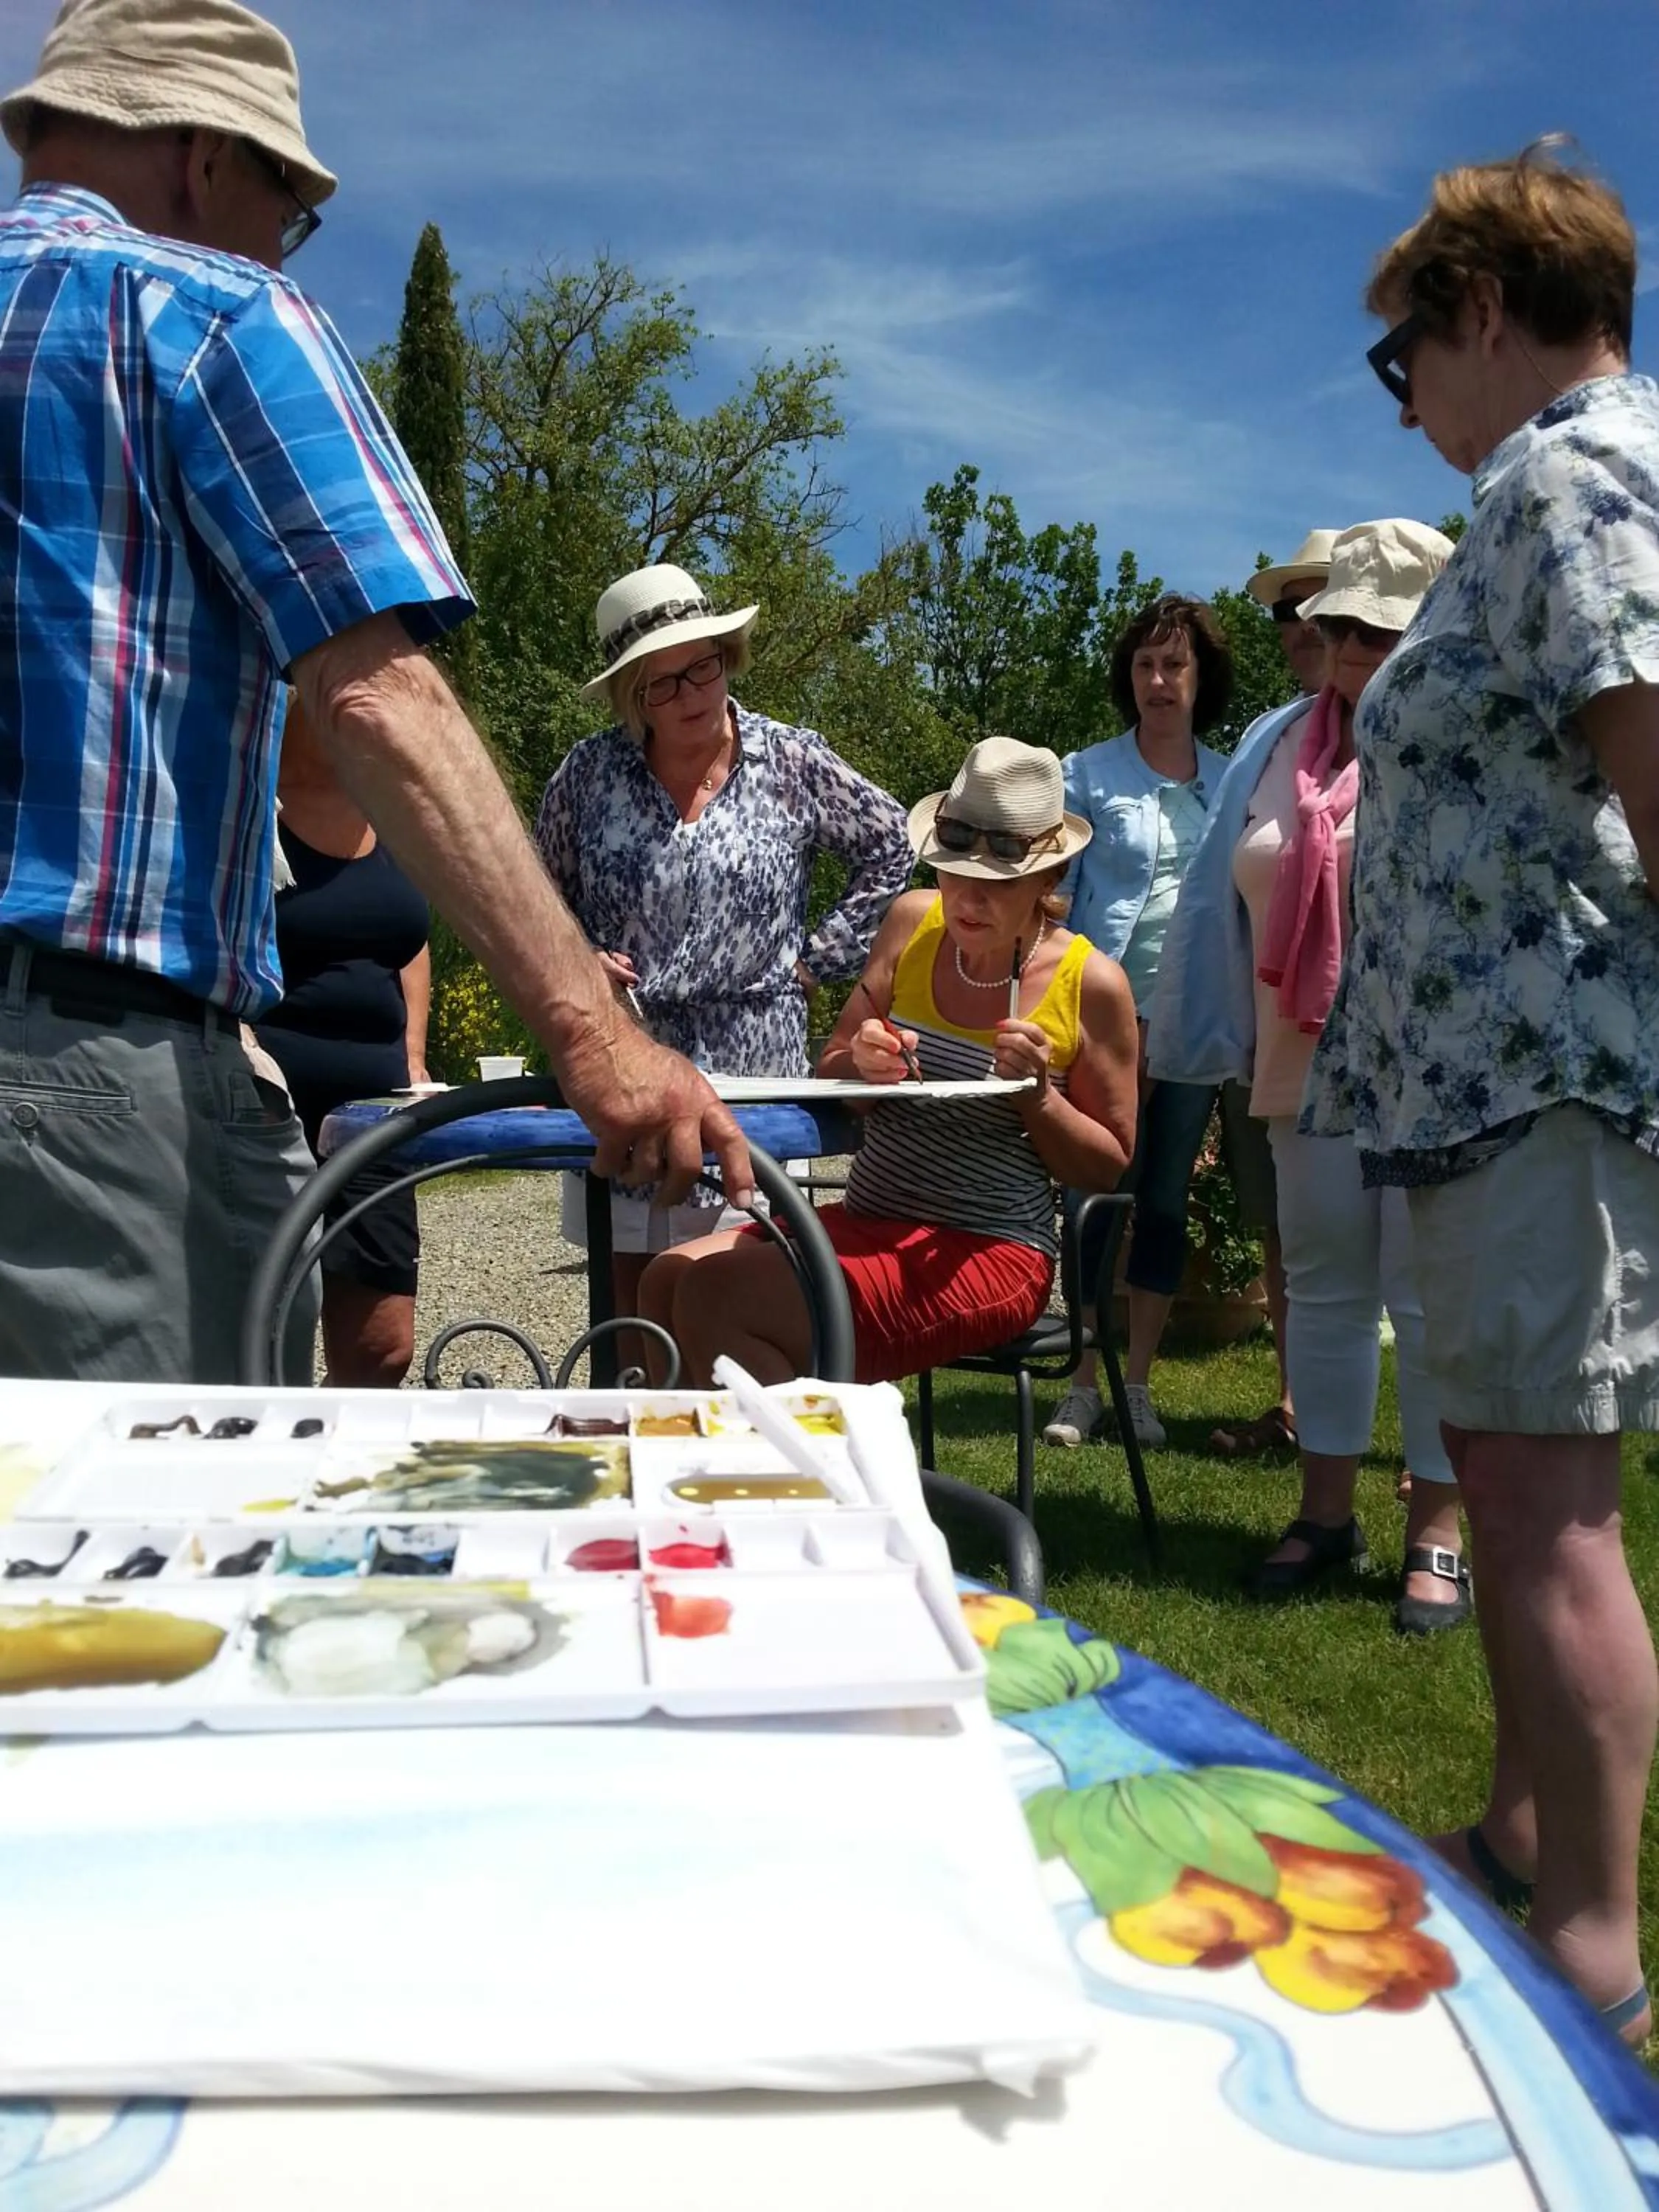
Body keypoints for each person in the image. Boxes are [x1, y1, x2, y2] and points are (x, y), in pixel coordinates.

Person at [0, 0, 748, 1385]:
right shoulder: (206, 315)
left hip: (102, 1042)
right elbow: (378, 697)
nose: (282, 249)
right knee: (125, 1571)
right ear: (204, 160)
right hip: (83, 1080)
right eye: (289, 210)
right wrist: (595, 1034)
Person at [1304, 143, 1659, 2041]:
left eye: (1402, 357)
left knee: (1545, 1515)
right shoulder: (1541, 487)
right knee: (1519, 1494)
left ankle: (1589, 1953)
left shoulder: (1578, 468)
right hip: (1482, 1093)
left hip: (1546, 1084)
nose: (1408, 399)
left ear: (1476, 309)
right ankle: (1528, 1835)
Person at [1150, 520, 1465, 1633]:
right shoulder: (1280, 743)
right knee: (1326, 1286)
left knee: (1427, 1301)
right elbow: (1217, 894)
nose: (1347, 645)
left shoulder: (1464, 734)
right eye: (1335, 624)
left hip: (1434, 1062)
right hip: (1301, 1052)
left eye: (1376, 628)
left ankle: (1437, 1531)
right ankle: (1324, 1511)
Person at [636, 737, 1138, 1388]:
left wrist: (1037, 1097)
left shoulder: (1091, 984)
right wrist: (862, 1065)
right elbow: (833, 1072)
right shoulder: (912, 924)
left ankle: (808, 1480)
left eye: (996, 881)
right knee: (664, 1281)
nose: (967, 897)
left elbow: (1109, 1165)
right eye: (953, 869)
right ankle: (713, 1479)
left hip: (990, 1248)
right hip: (870, 1215)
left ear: (1047, 880)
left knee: (716, 1295)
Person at [533, 563, 914, 1326]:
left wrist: (817, 959)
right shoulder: (587, 776)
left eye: (701, 668)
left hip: (755, 1069)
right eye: (661, 683)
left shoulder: (791, 761)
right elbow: (535, 894)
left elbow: (893, 843)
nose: (691, 695)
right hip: (628, 1063)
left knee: (740, 1308)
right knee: (632, 1318)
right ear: (630, 693)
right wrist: (576, 961)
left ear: (726, 656)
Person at [1043, 595, 1234, 1450]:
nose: (1159, 681)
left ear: (1201, 678)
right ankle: (1084, 1381)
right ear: (1130, 678)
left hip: (1194, 1024)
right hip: (1105, 1030)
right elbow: (1052, 898)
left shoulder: (1232, 782)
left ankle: (1142, 1383)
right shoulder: (1086, 774)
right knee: (1094, 1199)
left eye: (1176, 665)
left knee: (1163, 1202)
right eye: (1146, 666)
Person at [1204, 529, 1338, 1461]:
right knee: (1288, 1238)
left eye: (1312, 606)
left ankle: (1435, 1455)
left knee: (1412, 1248)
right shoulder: (1270, 741)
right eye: (1284, 612)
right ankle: (1298, 1409)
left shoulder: (1407, 725)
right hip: (1274, 1034)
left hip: (1386, 1041)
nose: (1293, 627)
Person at [255, 700, 430, 1388]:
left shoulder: (394, 807)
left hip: (373, 1113)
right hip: (263, 1103)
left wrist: (412, 1050)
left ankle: (322, 1473)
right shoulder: (251, 801)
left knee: (382, 1347)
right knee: (270, 1334)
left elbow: (411, 939)